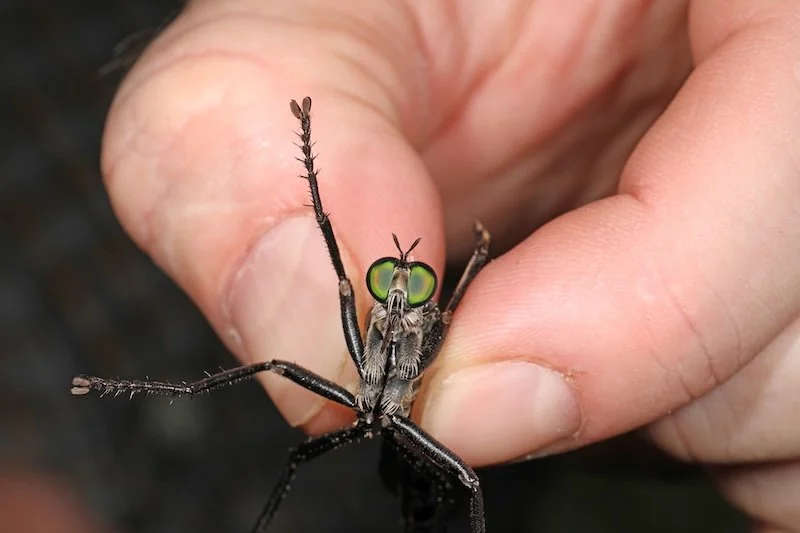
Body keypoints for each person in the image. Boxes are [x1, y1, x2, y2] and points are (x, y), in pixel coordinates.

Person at [101, 1, 800, 530]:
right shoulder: (371, 310)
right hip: (383, 420)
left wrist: (477, 266)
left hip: (413, 434)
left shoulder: (424, 325)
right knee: (289, 381)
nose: (397, 294)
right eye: (391, 283)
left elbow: (457, 320)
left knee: (462, 479)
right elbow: (336, 258)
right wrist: (310, 167)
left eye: (408, 286)